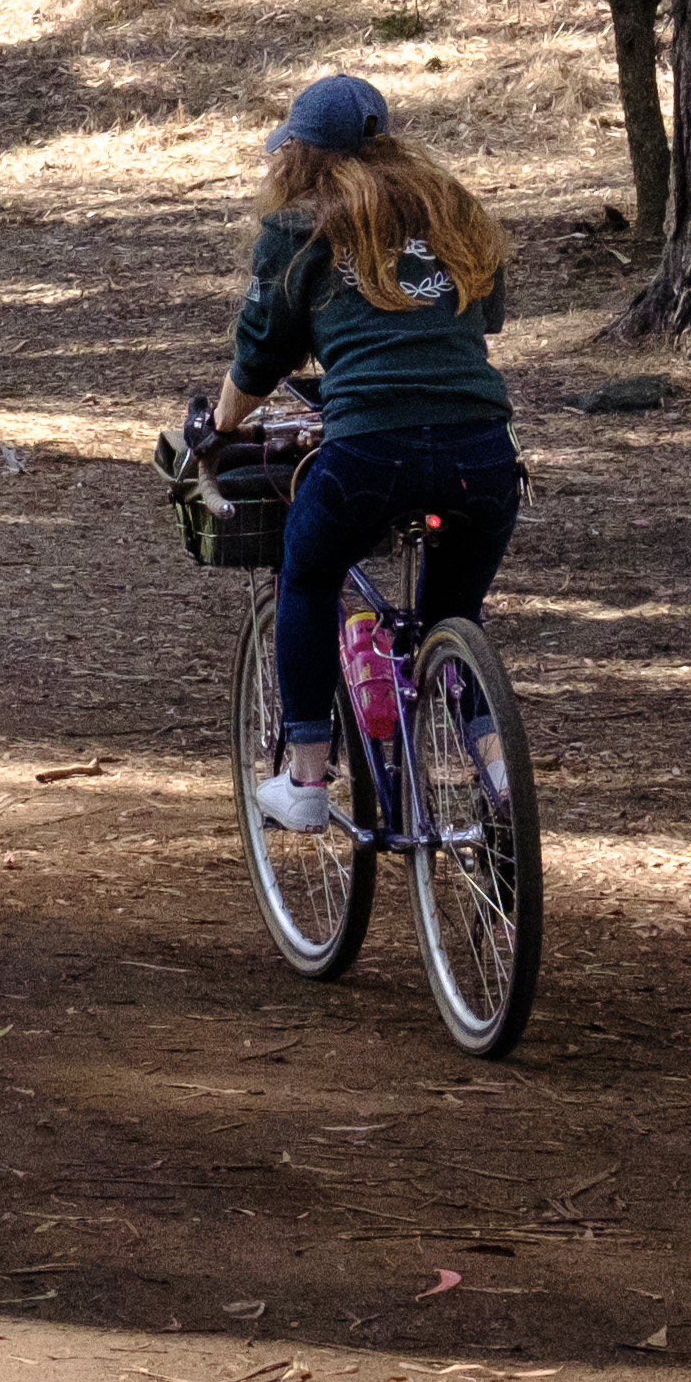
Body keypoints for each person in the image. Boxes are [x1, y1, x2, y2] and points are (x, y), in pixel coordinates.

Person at [204, 72, 514, 833]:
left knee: (307, 576)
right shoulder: (455, 212)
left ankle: (307, 779)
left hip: (369, 453)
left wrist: (217, 427)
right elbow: (487, 317)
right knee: (455, 612)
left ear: (299, 154)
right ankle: (505, 780)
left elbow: (259, 357)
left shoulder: (299, 229)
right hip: (484, 454)